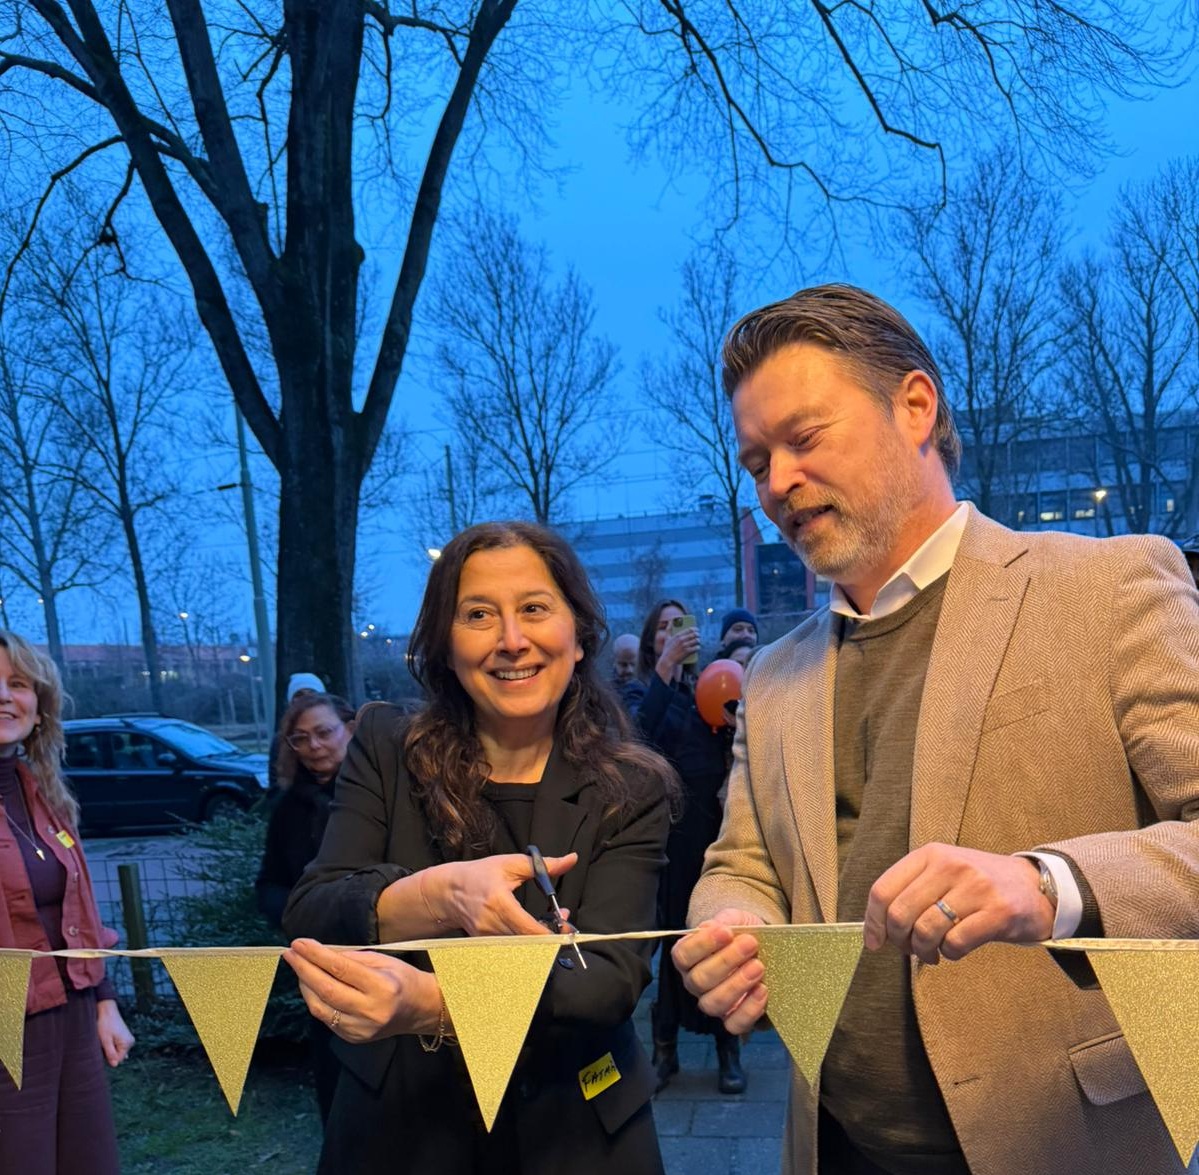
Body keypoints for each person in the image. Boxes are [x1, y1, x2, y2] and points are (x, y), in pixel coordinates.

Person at [671, 283, 1199, 1175]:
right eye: (757, 461)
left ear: (914, 406)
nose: (776, 483)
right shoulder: (773, 672)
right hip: (833, 1144)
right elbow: (742, 861)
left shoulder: (1110, 588)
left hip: (1059, 1141)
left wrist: (1047, 883)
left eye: (804, 438)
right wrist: (731, 923)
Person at [281, 521, 676, 1175]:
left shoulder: (631, 787)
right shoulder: (386, 749)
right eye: (478, 614)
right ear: (445, 643)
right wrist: (441, 896)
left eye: (534, 608)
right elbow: (313, 910)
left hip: (574, 1127)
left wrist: (433, 1004)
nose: (511, 639)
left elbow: (606, 984)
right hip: (406, 1125)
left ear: (578, 635)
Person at [0, 630, 135, 1175]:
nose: (4, 696)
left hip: (72, 1018)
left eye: (17, 683)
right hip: (7, 1028)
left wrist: (104, 1001)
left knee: (88, 1160)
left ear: (39, 707)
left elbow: (78, 916)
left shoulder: (46, 796)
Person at [623, 601, 746, 1095]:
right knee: (675, 938)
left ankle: (728, 1047)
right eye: (663, 627)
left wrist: (736, 727)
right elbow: (637, 736)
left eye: (680, 625)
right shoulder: (642, 689)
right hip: (668, 834)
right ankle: (665, 1048)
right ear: (651, 639)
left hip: (714, 829)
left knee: (720, 933)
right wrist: (666, 668)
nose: (673, 633)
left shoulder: (706, 687)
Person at [256, 692, 357, 927]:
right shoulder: (287, 806)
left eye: (324, 733)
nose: (313, 745)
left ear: (350, 730)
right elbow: (271, 882)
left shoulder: (375, 793)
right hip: (310, 935)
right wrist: (300, 914)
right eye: (300, 738)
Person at [267, 672, 327, 788]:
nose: (306, 699)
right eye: (299, 695)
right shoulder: (281, 740)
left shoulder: (336, 732)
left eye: (312, 693)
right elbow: (275, 783)